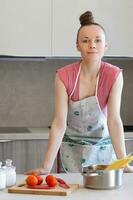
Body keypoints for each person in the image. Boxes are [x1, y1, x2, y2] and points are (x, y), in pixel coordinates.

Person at [26, 11, 133, 174]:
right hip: (71, 152)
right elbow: (59, 123)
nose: (92, 45)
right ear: (77, 46)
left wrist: (123, 163)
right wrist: (46, 167)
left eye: (98, 40)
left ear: (106, 46)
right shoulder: (64, 76)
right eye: (85, 41)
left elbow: (114, 120)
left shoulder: (114, 75)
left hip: (103, 153)